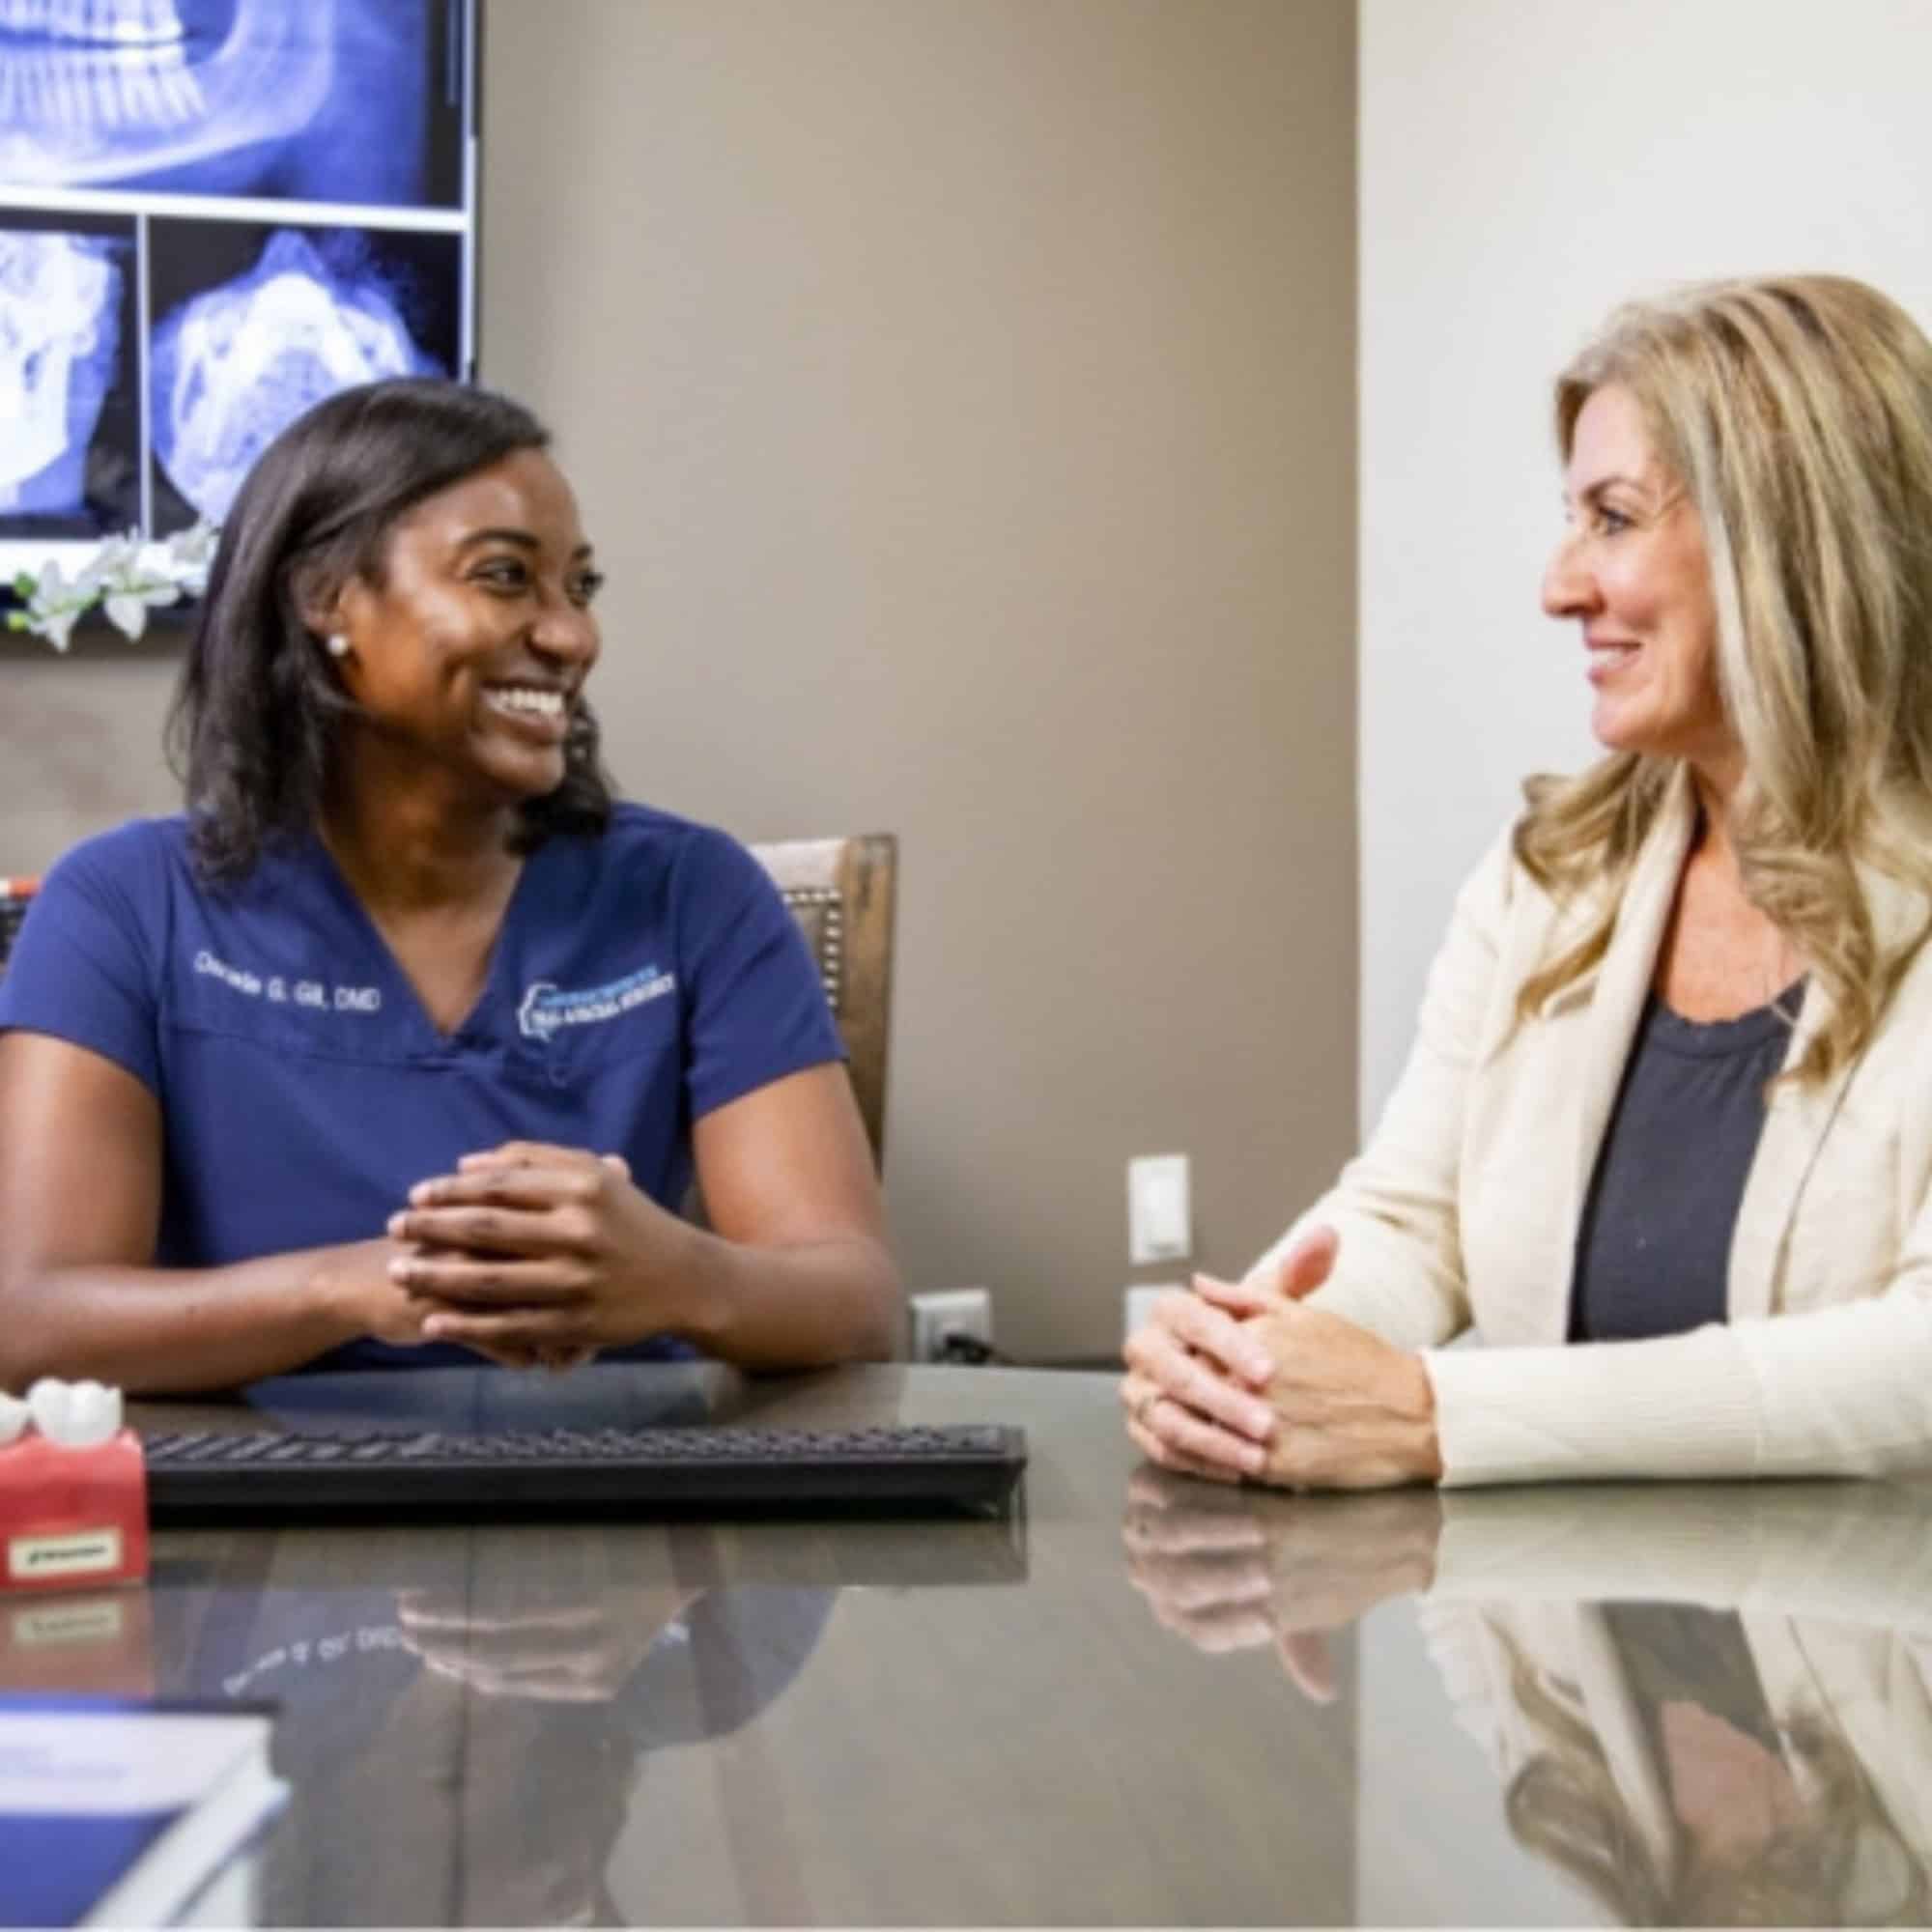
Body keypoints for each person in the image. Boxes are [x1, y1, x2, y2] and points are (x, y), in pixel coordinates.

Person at [1122, 272, 1932, 1489]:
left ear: (1782, 539)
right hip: (1568, 1612)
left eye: (1611, 518)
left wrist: (1438, 1414)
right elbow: (1413, 1218)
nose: (1559, 586)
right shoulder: (1547, 877)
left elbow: (1913, 1365)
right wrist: (1242, 1360)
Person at [0, 379, 900, 1392]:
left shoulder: (691, 892)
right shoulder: (124, 906)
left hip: (615, 1476)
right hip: (255, 1485)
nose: (572, 637)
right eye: (505, 577)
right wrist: (356, 1285)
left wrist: (679, 1276)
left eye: (579, 588)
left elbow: (858, 1302)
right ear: (325, 597)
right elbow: (30, 1322)